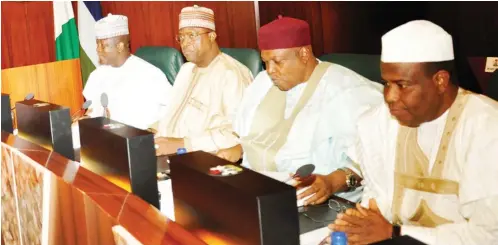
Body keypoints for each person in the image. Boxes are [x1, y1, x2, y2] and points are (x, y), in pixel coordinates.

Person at [329, 20, 498, 245]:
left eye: (402, 84)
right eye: (386, 83)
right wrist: (360, 226)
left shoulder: (486, 126)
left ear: (440, 80)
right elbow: (376, 197)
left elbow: (489, 235)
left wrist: (395, 233)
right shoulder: (378, 121)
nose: (389, 96)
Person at [230, 16, 383, 203]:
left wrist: (331, 182)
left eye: (277, 62)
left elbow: (372, 161)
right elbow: (250, 137)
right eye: (265, 62)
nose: (270, 70)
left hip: (318, 202)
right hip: (255, 190)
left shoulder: (347, 90)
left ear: (303, 54)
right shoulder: (263, 82)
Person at [154, 5, 253, 158]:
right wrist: (151, 133)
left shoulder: (232, 74)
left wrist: (184, 144)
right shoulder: (186, 70)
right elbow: (171, 115)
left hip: (201, 160)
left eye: (192, 35)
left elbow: (237, 134)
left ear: (212, 36)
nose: (185, 43)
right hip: (166, 155)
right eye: (181, 37)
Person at [83, 14, 172, 130]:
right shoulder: (96, 75)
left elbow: (171, 113)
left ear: (120, 46)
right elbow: (91, 110)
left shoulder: (150, 75)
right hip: (102, 138)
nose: (98, 49)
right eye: (97, 44)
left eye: (103, 45)